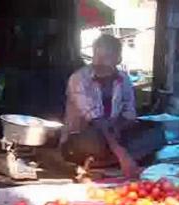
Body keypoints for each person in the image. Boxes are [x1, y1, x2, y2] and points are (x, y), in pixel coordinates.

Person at [60, 34, 165, 178]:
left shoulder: (123, 79)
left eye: (106, 57)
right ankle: (117, 160)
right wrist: (120, 152)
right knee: (96, 140)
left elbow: (129, 114)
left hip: (114, 133)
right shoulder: (79, 79)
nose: (100, 61)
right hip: (83, 136)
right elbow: (95, 119)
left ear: (118, 59)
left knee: (156, 133)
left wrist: (117, 128)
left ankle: (104, 162)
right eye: (98, 56)